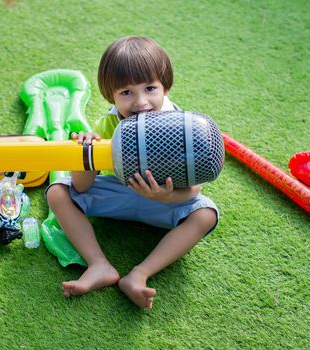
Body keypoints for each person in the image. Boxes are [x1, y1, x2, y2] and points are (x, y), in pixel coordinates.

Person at [46, 36, 218, 309]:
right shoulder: (109, 124)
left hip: (163, 202)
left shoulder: (177, 124)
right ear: (110, 96)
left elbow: (193, 190)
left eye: (150, 88)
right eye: (126, 93)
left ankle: (139, 274)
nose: (141, 102)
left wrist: (165, 197)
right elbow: (80, 187)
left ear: (165, 87)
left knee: (205, 214)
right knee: (58, 192)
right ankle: (99, 265)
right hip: (119, 195)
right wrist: (87, 155)